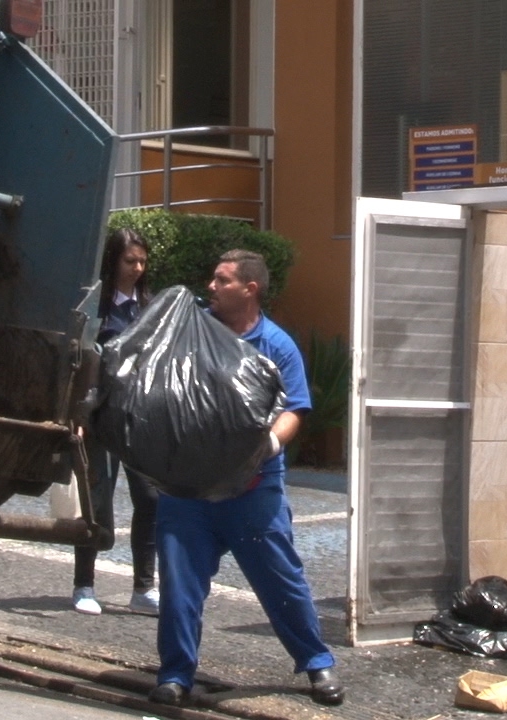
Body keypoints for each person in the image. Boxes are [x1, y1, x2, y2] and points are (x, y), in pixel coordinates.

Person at [149, 249, 343, 707]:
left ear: (249, 290)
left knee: (281, 581)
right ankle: (175, 675)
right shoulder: (192, 330)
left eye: (222, 280)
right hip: (188, 489)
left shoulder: (277, 346)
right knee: (179, 586)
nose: (210, 287)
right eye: (212, 280)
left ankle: (317, 664)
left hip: (252, 493)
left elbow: (295, 408)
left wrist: (269, 446)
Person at [71, 228, 161, 616]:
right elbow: (80, 360)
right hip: (101, 416)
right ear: (113, 261)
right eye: (130, 261)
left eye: (142, 261)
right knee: (97, 500)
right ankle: (83, 585)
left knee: (150, 499)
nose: (137, 269)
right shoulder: (97, 307)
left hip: (139, 418)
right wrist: (77, 415)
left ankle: (143, 587)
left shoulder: (149, 306)